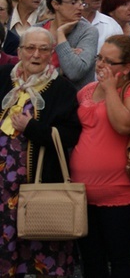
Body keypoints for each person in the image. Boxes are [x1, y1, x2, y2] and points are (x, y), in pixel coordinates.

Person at [70, 35, 130, 277]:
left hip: (120, 193)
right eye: (99, 58)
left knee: (120, 260)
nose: (100, 65)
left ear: (126, 67)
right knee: (91, 261)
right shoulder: (86, 90)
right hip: (82, 192)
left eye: (109, 61)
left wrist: (110, 90)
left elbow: (123, 125)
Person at [0, 27, 81, 277]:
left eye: (43, 49)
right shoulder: (3, 77)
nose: (35, 54)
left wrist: (32, 128)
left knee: (43, 245)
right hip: (3, 187)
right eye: (30, 48)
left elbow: (70, 134)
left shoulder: (63, 89)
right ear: (20, 51)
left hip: (39, 183)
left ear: (51, 53)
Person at [40, 0, 99, 90]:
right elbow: (28, 69)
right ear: (56, 4)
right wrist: (61, 68)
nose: (80, 7)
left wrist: (60, 34)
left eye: (82, 1)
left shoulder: (88, 31)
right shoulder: (38, 30)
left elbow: (75, 71)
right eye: (74, 2)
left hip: (73, 102)